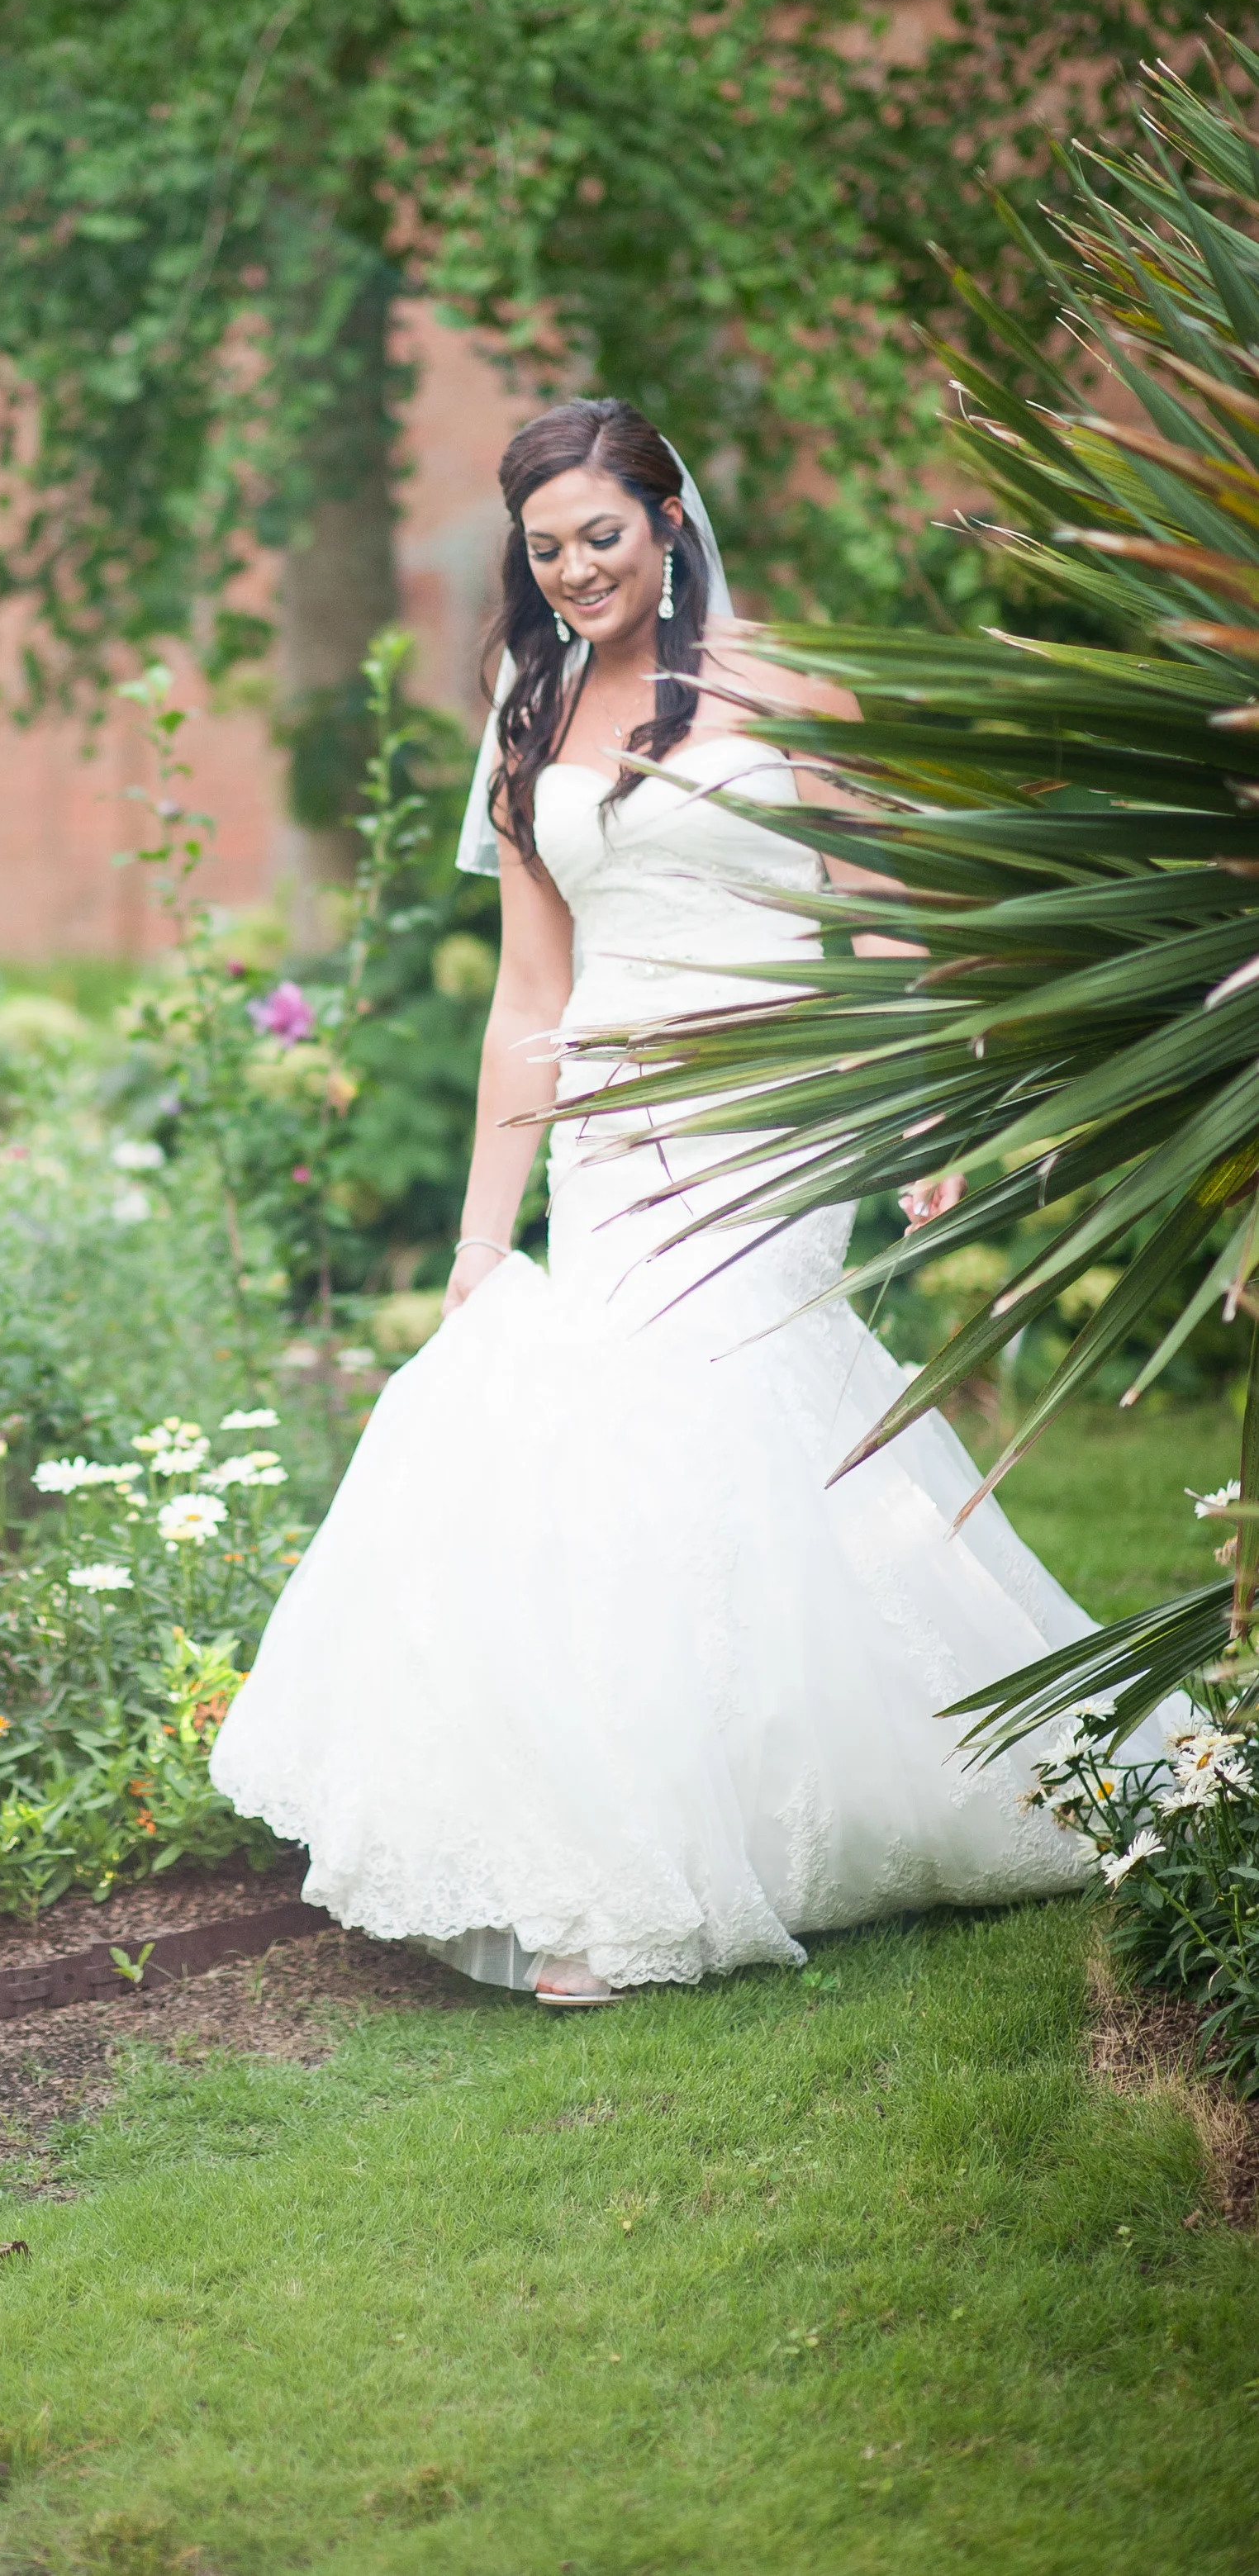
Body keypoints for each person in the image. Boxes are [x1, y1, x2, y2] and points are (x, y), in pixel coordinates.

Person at [210, 396, 1117, 2004]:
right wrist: (484, 1240)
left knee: (695, 1418)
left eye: (599, 536)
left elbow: (890, 914)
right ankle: (631, 1840)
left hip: (772, 1123)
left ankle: (677, 1858)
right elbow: (527, 995)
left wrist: (917, 1121)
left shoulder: (776, 688)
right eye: (544, 547)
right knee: (644, 1446)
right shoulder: (527, 708)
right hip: (610, 1142)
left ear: (667, 522)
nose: (572, 570)